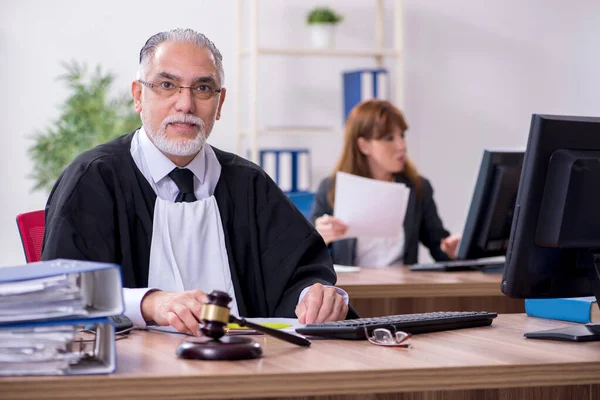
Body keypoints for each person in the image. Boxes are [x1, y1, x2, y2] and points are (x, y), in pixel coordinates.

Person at [42, 28, 350, 335]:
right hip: (134, 373)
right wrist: (150, 303)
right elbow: (66, 292)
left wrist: (316, 295)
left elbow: (302, 273)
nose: (186, 104)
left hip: (247, 369)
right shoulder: (95, 178)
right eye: (167, 85)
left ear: (220, 103)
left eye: (203, 88)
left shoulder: (249, 185)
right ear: (138, 95)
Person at [310, 99, 460, 267]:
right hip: (353, 290)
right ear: (363, 145)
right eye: (389, 138)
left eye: (402, 136)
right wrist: (321, 236)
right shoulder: (332, 188)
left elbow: (438, 245)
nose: (401, 145)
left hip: (402, 288)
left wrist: (452, 249)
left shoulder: (418, 188)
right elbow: (307, 253)